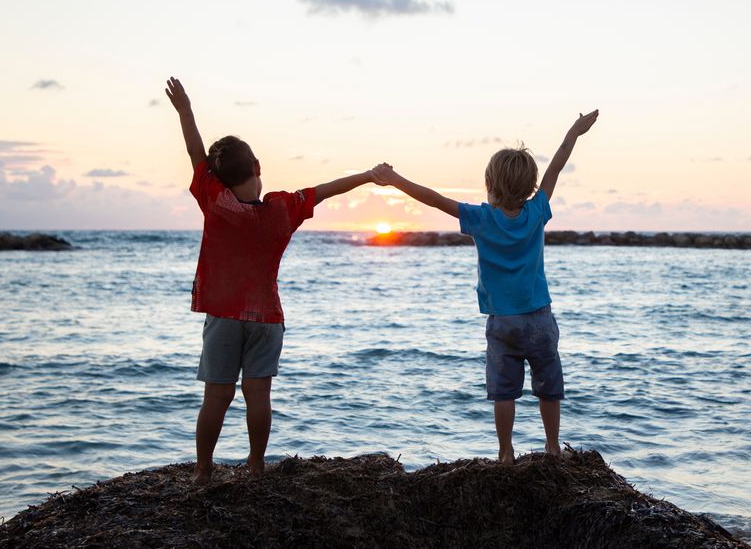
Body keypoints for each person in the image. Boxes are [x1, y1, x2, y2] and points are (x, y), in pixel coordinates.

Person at [165, 77, 387, 483]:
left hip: (224, 316)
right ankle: (254, 465)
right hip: (267, 318)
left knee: (216, 395)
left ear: (218, 176)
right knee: (258, 394)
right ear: (257, 169)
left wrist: (186, 112)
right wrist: (368, 176)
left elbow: (195, 154)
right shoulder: (282, 209)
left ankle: (202, 470)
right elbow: (326, 191)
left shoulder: (215, 200)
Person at [373, 110, 599, 463]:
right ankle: (553, 446)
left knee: (504, 392)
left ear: (491, 185)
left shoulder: (481, 218)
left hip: (502, 322)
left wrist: (394, 178)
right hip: (539, 318)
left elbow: (433, 198)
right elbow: (556, 167)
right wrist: (574, 131)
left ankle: (505, 452)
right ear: (529, 187)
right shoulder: (537, 210)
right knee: (548, 387)